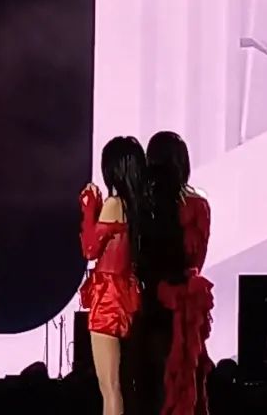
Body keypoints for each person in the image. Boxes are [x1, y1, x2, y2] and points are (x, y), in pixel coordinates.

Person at [134, 131, 214, 415]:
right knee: (184, 383)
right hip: (183, 305)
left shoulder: (138, 203)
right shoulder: (197, 204)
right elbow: (197, 259)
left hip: (144, 303)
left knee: (146, 385)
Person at [79, 136, 145, 415]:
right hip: (125, 291)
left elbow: (90, 249)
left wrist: (89, 208)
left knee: (109, 387)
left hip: (108, 296)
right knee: (120, 384)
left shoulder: (114, 204)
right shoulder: (136, 206)